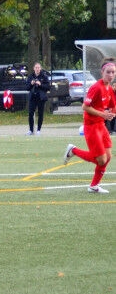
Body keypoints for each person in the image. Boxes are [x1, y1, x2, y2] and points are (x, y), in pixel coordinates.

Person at [63, 58, 116, 193]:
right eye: (108, 72)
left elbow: (112, 106)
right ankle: (73, 150)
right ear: (102, 72)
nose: (111, 75)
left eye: (113, 72)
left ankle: (93, 186)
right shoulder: (96, 87)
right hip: (91, 126)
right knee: (101, 159)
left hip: (100, 125)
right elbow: (85, 106)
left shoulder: (109, 88)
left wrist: (111, 113)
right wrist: (103, 114)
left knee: (108, 157)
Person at [26, 62, 50, 136]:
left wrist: (40, 84)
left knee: (40, 114)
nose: (37, 69)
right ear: (34, 68)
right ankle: (31, 130)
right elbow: (27, 88)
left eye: (38, 67)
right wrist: (31, 83)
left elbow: (48, 87)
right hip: (33, 97)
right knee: (30, 113)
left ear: (40, 68)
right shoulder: (30, 76)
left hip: (41, 98)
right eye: (36, 67)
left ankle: (39, 130)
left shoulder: (44, 76)